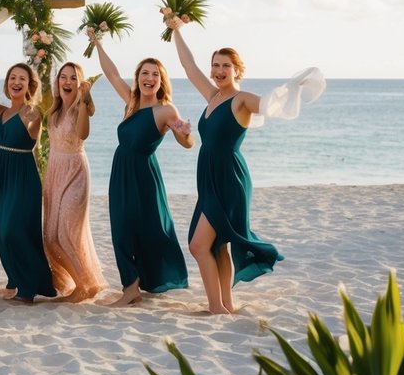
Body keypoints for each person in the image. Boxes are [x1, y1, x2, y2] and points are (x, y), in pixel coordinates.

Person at [168, 19, 283, 315]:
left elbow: (267, 104)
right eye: (215, 65)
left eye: (226, 66)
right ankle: (226, 304)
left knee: (198, 245)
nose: (219, 71)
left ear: (237, 70)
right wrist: (175, 30)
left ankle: (215, 307)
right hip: (209, 180)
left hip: (230, 179)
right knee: (216, 245)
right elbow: (188, 66)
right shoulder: (213, 96)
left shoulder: (241, 99)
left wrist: (290, 92)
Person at [91, 35, 193, 307]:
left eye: (155, 74)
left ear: (161, 81)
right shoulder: (131, 102)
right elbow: (112, 74)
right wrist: (98, 43)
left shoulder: (165, 109)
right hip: (120, 174)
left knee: (148, 229)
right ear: (137, 78)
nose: (149, 78)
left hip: (144, 176)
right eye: (145, 73)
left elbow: (187, 143)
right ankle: (131, 287)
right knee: (121, 229)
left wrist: (185, 133)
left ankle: (136, 287)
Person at [0, 62, 56, 304]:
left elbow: (34, 127)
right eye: (13, 77)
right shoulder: (3, 112)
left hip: (22, 176)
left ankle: (28, 287)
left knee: (13, 231)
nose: (16, 82)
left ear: (29, 85)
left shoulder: (32, 113)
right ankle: (14, 278)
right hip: (0, 173)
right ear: (7, 83)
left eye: (22, 78)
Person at [41, 61, 106, 303]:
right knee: (50, 237)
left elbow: (83, 134)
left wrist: (85, 101)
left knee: (66, 233)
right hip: (54, 173)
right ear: (58, 82)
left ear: (80, 84)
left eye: (73, 78)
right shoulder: (53, 111)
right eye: (63, 77)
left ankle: (84, 285)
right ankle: (81, 282)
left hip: (75, 172)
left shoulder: (80, 109)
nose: (67, 81)